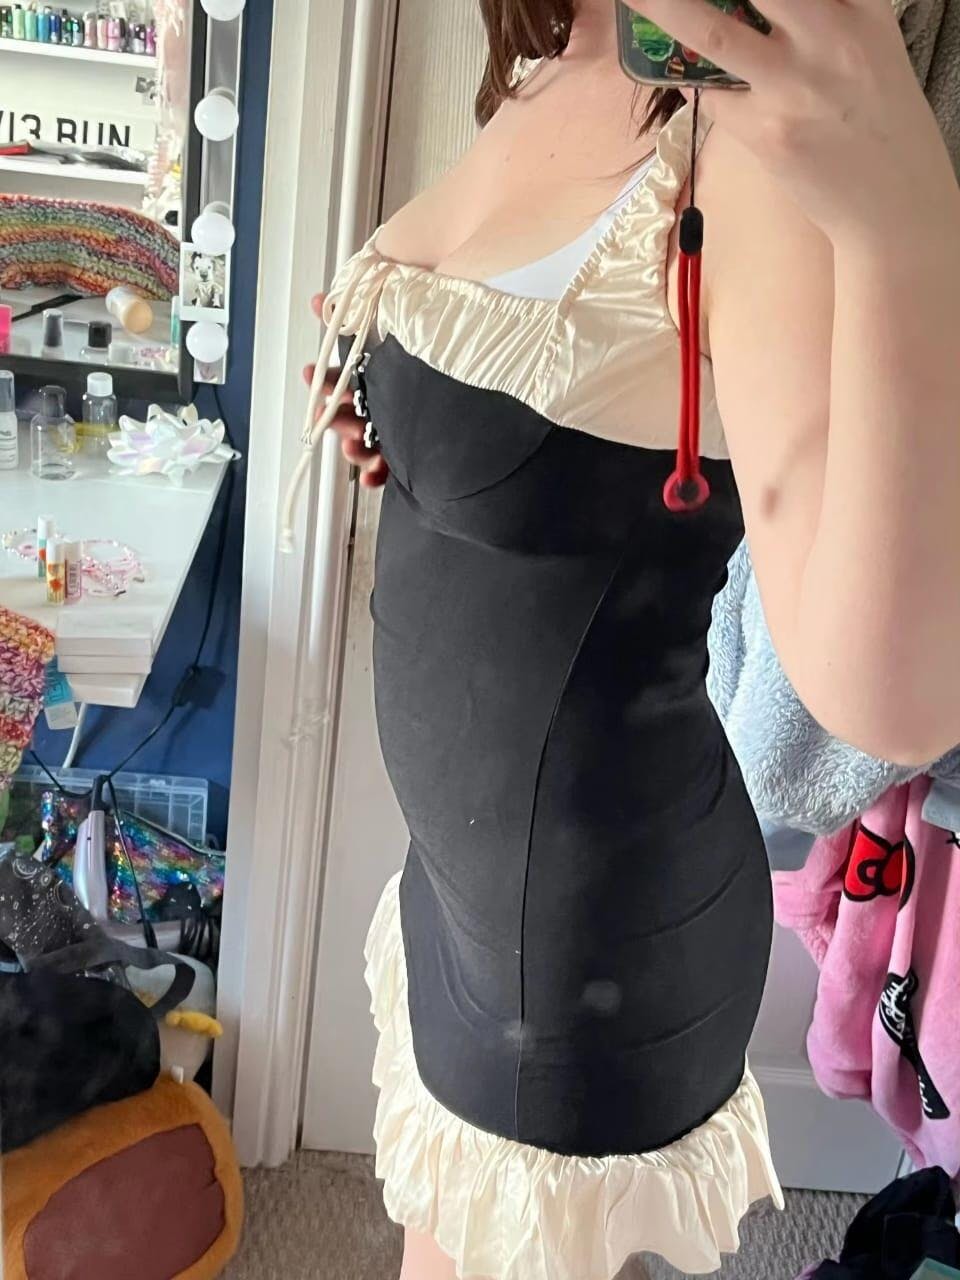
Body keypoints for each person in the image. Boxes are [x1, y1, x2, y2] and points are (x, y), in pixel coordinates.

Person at [302, 0, 960, 1275]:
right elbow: (564, 396)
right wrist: (402, 403)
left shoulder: (747, 133)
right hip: (461, 887)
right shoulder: (558, 52)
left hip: (584, 941)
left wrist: (900, 219)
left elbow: (888, 697)